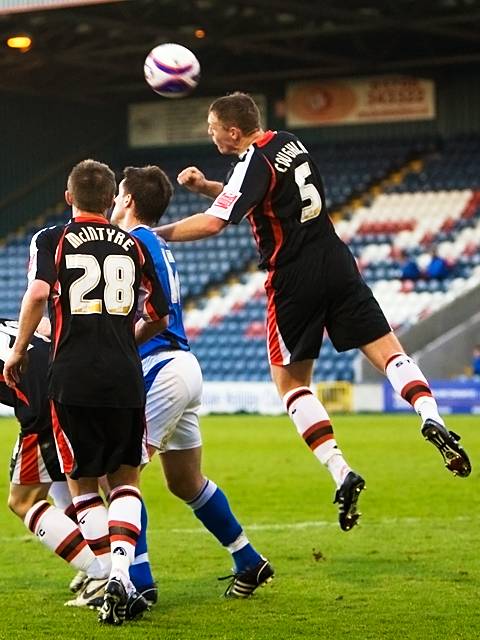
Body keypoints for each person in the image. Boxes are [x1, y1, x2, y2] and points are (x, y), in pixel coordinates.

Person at [152, 92, 472, 532]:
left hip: (293, 277)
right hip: (336, 260)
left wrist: (152, 235)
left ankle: (341, 469)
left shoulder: (251, 162)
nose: (210, 135)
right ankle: (431, 415)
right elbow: (260, 195)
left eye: (212, 128)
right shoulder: (288, 143)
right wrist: (209, 187)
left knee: (291, 384)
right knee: (388, 352)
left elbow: (214, 222)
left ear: (232, 131)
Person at [3, 159, 169, 625]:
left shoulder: (51, 238)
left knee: (81, 485)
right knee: (126, 482)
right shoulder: (134, 246)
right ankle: (121, 575)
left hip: (71, 375)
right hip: (124, 376)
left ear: (69, 195)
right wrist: (122, 340)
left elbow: (38, 294)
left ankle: (106, 578)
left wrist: (17, 352)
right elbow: (159, 314)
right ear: (112, 197)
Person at [110, 164, 274, 598]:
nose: (112, 202)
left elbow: (150, 313)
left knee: (120, 478)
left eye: (117, 195)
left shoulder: (132, 244)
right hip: (182, 366)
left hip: (157, 367)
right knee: (185, 481)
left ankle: (139, 585)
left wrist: (117, 344)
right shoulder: (154, 241)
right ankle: (248, 559)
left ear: (127, 200)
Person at [0, 317, 110, 606]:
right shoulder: (8, 323)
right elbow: (47, 326)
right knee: (82, 489)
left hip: (43, 410)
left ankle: (100, 573)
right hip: (79, 387)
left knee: (22, 501)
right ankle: (116, 568)